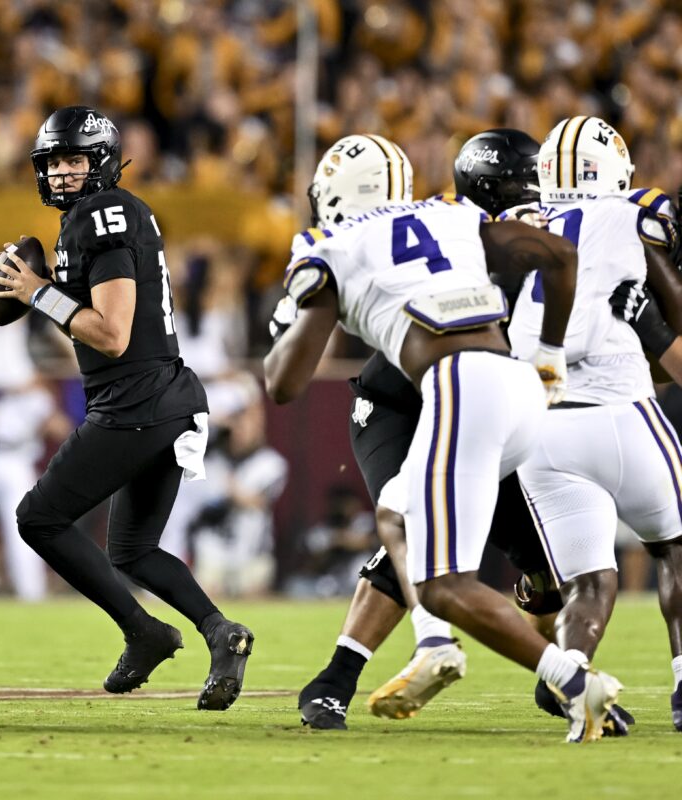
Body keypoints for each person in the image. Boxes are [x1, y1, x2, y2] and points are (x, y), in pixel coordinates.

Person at [264, 132, 622, 743]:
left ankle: (573, 684)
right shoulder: (450, 213)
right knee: (398, 511)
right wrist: (551, 357)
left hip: (458, 387)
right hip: (517, 389)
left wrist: (299, 311)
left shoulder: (333, 243)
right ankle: (445, 648)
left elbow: (284, 384)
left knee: (443, 584)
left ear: (334, 196)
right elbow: (560, 255)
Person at [0, 106, 253, 710]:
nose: (60, 173)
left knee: (39, 518)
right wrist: (48, 295)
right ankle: (221, 633)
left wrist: (37, 294)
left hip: (137, 401)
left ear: (101, 162)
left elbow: (110, 333)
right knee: (132, 550)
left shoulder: (101, 214)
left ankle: (145, 631)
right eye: (53, 162)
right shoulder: (97, 216)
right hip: (162, 397)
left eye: (74, 159)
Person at [506, 116, 682, 733]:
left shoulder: (514, 223)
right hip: (621, 412)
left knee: (589, 580)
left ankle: (573, 675)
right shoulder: (634, 208)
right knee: (676, 549)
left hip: (541, 427)